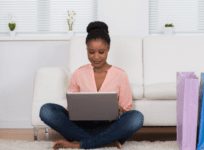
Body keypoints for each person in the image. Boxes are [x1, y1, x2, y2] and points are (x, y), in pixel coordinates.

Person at [39, 21, 144, 149]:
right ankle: (105, 141)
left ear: (108, 49)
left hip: (110, 125)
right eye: (91, 52)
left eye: (101, 52)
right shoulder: (78, 73)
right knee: (46, 110)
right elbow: (70, 108)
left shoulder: (120, 74)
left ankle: (81, 143)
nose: (96, 57)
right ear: (86, 50)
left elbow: (127, 110)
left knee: (136, 118)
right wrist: (73, 109)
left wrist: (117, 108)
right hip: (82, 125)